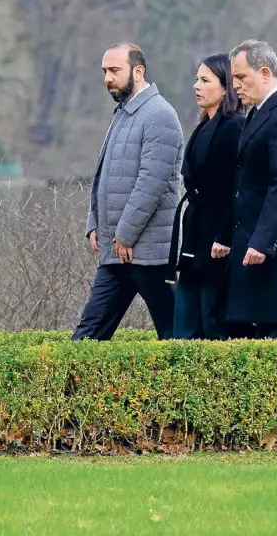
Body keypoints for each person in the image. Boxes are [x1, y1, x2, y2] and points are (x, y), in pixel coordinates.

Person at [72, 42, 183, 341]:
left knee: (176, 339)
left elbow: (152, 183)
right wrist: (93, 223)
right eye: (104, 71)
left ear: (138, 71)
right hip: (116, 254)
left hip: (151, 254)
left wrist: (125, 234)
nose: (107, 77)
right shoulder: (123, 113)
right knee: (86, 339)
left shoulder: (160, 114)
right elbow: (105, 177)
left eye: (114, 70)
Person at [219, 40, 277, 340]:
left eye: (241, 78)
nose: (235, 87)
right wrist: (226, 236)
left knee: (273, 341)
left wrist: (262, 242)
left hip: (273, 254)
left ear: (265, 72)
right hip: (250, 248)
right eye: (233, 79)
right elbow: (244, 185)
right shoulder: (259, 113)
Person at [166, 53, 244, 339]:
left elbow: (235, 188)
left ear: (225, 87)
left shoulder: (234, 127)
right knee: (186, 321)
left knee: (213, 320)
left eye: (204, 80)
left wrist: (224, 236)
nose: (196, 86)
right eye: (196, 80)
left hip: (216, 237)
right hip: (196, 231)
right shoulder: (202, 127)